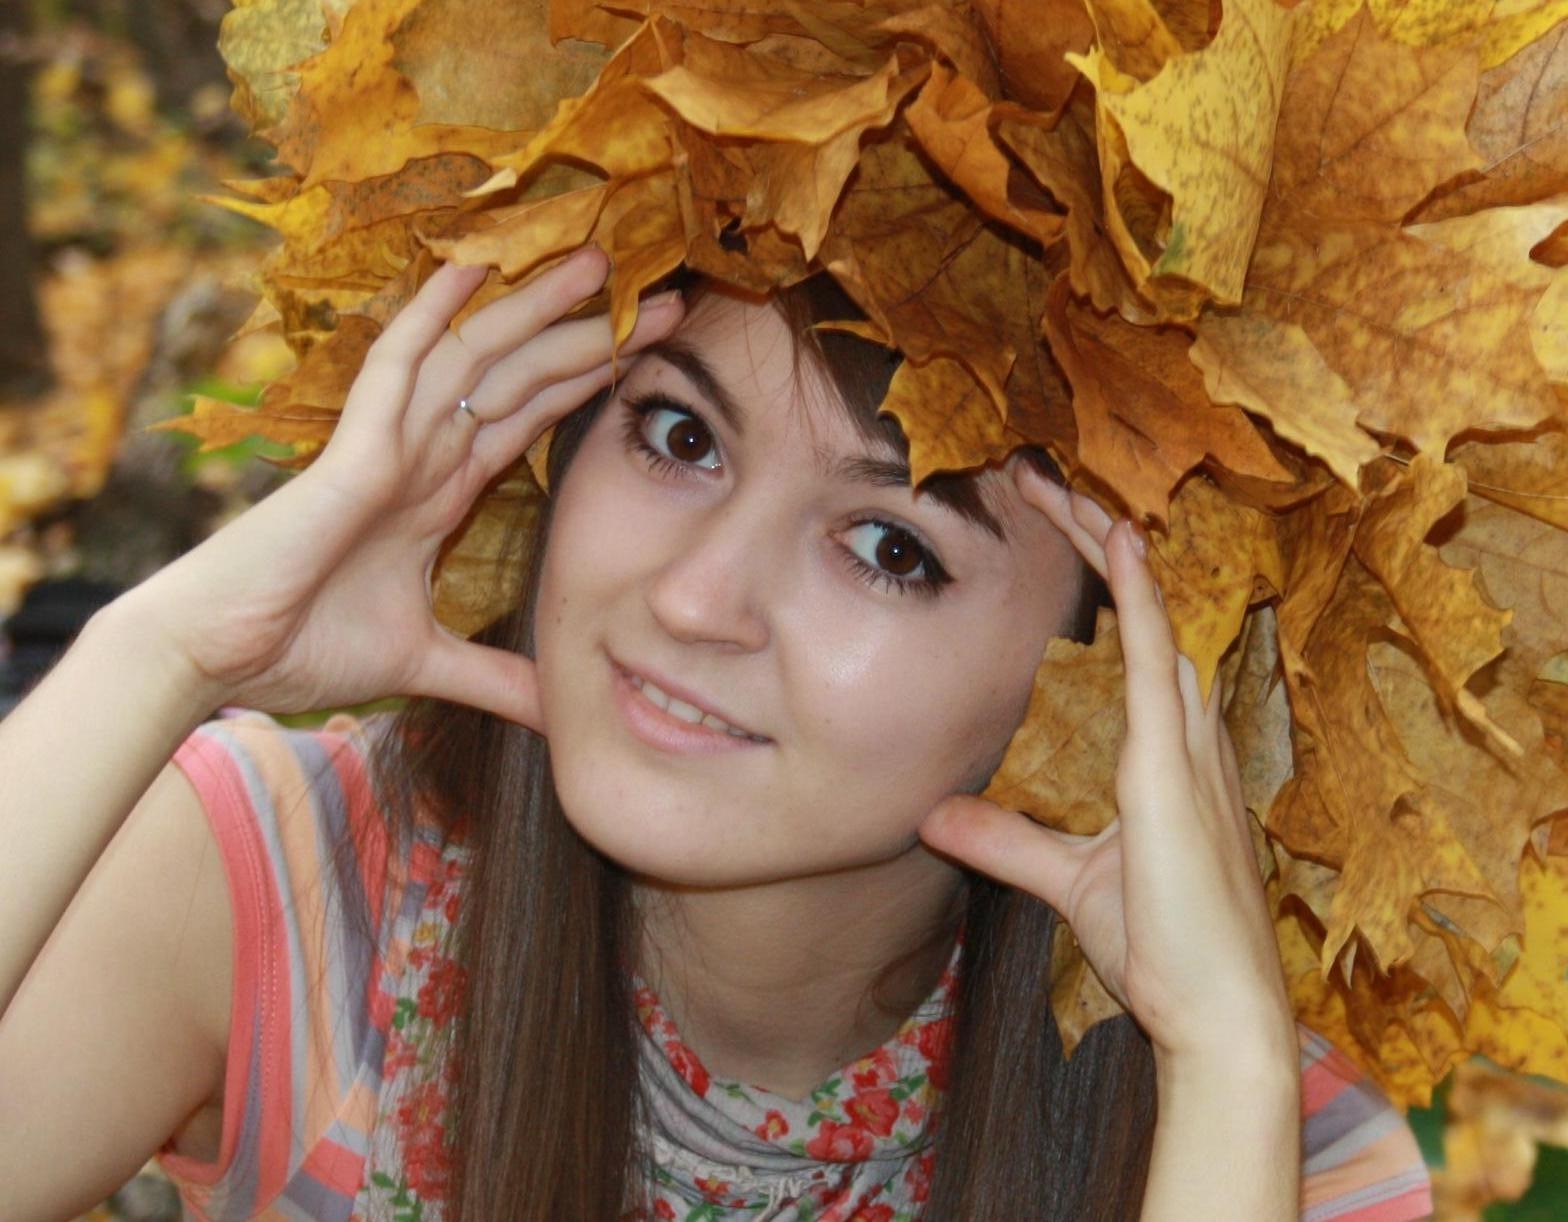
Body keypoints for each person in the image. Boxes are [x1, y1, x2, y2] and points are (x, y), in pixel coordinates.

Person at [0, 246, 1432, 1220]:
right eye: (681, 437)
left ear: (1108, 685)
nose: (693, 601)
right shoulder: (291, 886)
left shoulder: (1271, 1146)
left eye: (889, 547)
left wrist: (1229, 1068)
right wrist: (166, 652)